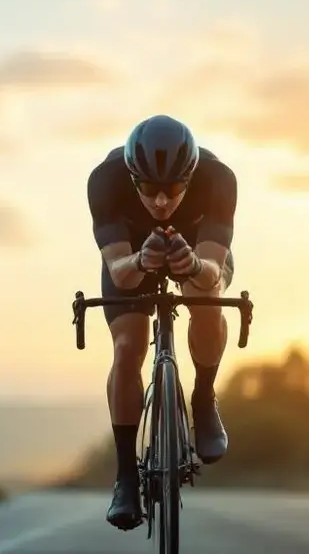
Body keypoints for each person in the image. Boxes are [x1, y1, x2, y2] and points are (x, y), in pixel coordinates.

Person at [86, 114, 238, 531]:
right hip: (132, 254)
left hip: (199, 249)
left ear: (190, 177)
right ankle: (126, 478)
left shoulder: (218, 179)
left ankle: (203, 399)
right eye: (148, 189)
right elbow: (119, 272)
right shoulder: (106, 180)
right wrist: (140, 260)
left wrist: (190, 263)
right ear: (131, 177)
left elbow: (211, 269)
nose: (160, 201)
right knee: (127, 347)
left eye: (172, 189)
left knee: (206, 299)